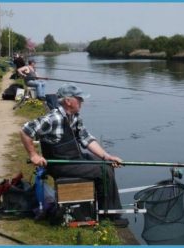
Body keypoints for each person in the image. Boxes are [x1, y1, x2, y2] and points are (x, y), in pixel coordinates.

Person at [20, 83, 128, 227]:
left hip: (72, 159)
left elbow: (86, 139)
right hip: (59, 164)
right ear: (68, 101)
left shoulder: (74, 117)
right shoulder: (54, 118)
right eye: (79, 99)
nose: (82, 102)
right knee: (103, 170)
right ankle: (110, 217)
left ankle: (100, 207)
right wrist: (34, 155)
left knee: (106, 164)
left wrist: (106, 156)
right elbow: (25, 131)